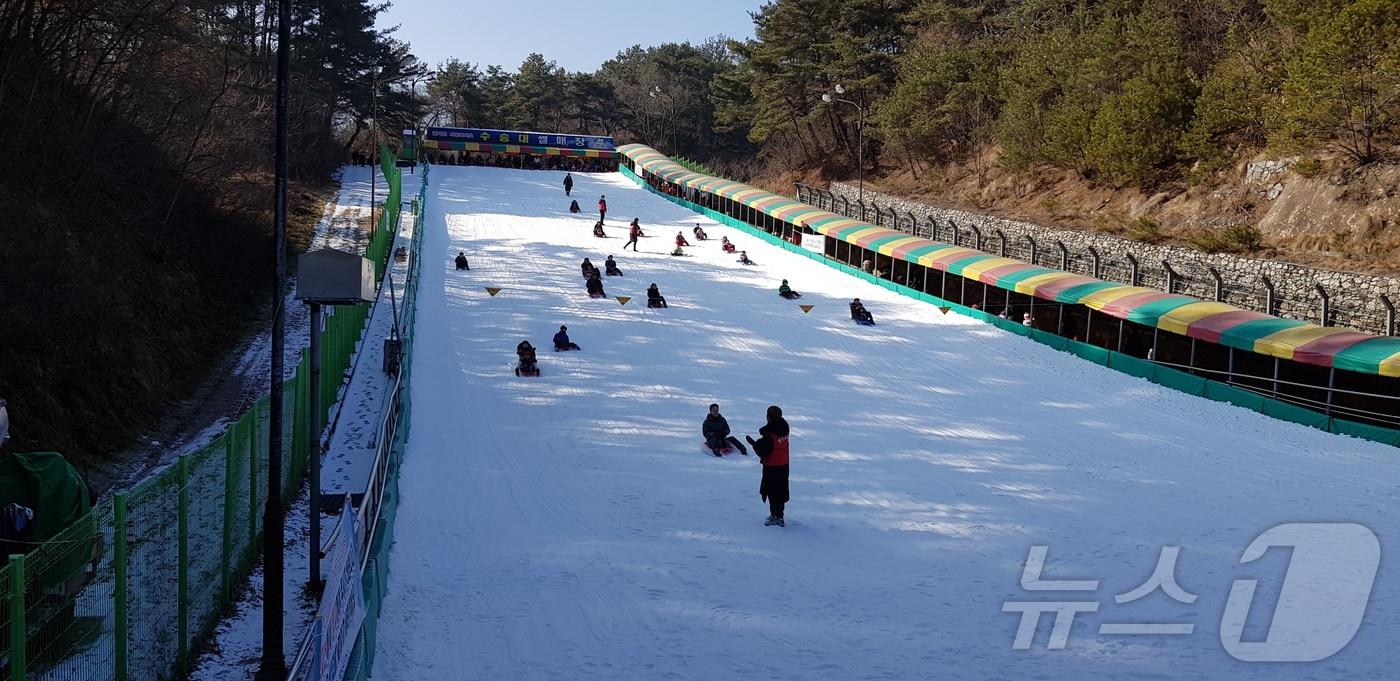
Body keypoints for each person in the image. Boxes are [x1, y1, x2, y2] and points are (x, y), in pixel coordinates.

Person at [745, 405, 790, 527]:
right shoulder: (784, 427)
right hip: (784, 465)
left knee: (772, 492)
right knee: (780, 491)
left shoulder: (770, 436)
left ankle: (776, 516)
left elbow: (763, 452)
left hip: (772, 467)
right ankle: (779, 515)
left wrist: (754, 444)